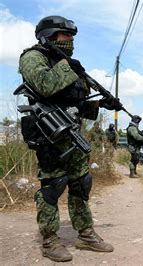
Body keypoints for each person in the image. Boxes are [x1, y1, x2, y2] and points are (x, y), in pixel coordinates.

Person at [18, 16, 116, 262]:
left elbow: (75, 103)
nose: (71, 40)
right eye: (66, 35)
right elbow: (45, 86)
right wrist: (67, 65)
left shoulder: (69, 64)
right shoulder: (33, 57)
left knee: (81, 184)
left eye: (72, 36)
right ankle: (50, 241)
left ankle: (85, 235)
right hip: (50, 135)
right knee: (52, 187)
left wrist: (101, 104)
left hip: (72, 134)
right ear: (50, 35)